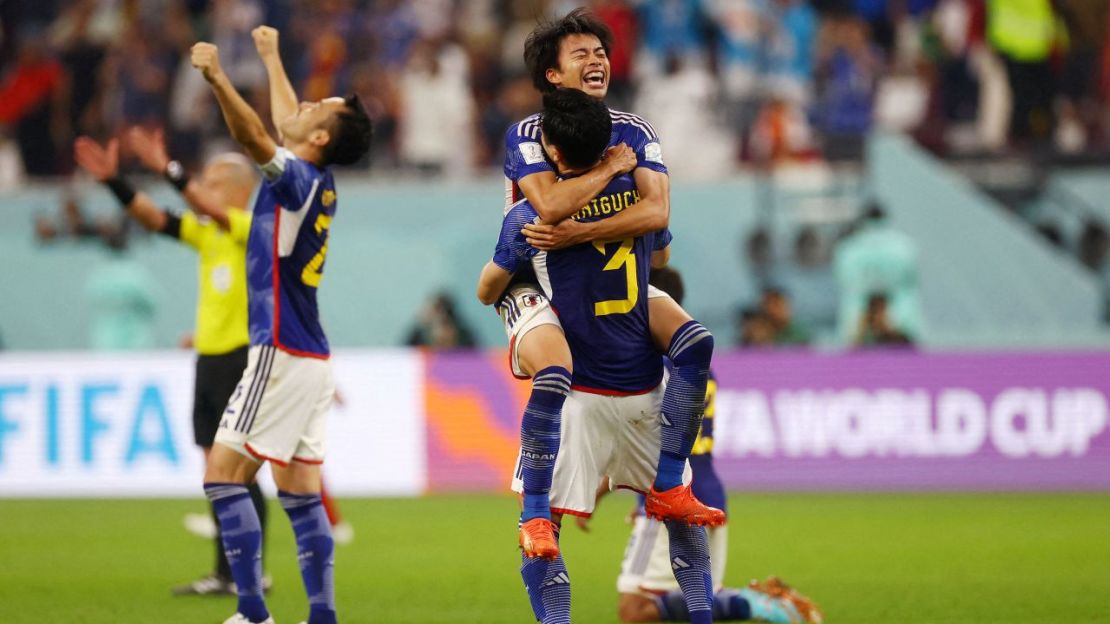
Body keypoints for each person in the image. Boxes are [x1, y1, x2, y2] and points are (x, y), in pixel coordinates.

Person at [481, 86, 715, 624]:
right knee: (681, 524)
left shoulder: (528, 218)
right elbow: (662, 251)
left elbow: (487, 288)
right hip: (639, 380)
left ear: (555, 154)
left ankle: (547, 578)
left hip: (577, 397)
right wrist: (615, 175)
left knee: (544, 535)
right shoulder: (638, 192)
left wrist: (518, 283)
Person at [498, 7, 724, 560]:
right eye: (582, 53)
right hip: (531, 276)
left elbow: (658, 212)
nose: (597, 60)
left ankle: (669, 484)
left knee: (694, 341)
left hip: (599, 270)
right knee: (551, 370)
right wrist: (605, 177)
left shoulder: (634, 128)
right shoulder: (527, 134)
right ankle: (535, 516)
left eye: (601, 52)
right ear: (553, 74)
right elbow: (546, 208)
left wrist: (581, 232)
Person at [190, 24, 371, 624]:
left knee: (222, 474)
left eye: (321, 107)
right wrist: (271, 57)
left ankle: (251, 612)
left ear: (320, 136)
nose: (308, 104)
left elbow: (255, 135)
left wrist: (218, 77)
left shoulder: (293, 180)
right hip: (311, 357)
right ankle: (321, 615)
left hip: (280, 350)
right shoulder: (320, 181)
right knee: (298, 491)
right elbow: (293, 120)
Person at [73, 127, 268, 596]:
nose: (204, 186)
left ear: (238, 191)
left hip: (241, 360)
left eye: (213, 181)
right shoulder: (209, 237)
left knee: (237, 470)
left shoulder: (250, 228)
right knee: (214, 472)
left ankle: (250, 571)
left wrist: (169, 170)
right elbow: (155, 219)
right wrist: (114, 183)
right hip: (209, 360)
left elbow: (205, 207)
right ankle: (225, 573)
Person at [607, 267, 824, 624]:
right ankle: (758, 603)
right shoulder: (695, 361)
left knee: (636, 610)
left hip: (671, 498)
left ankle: (759, 604)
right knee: (696, 601)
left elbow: (642, 437)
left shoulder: (648, 365)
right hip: (708, 494)